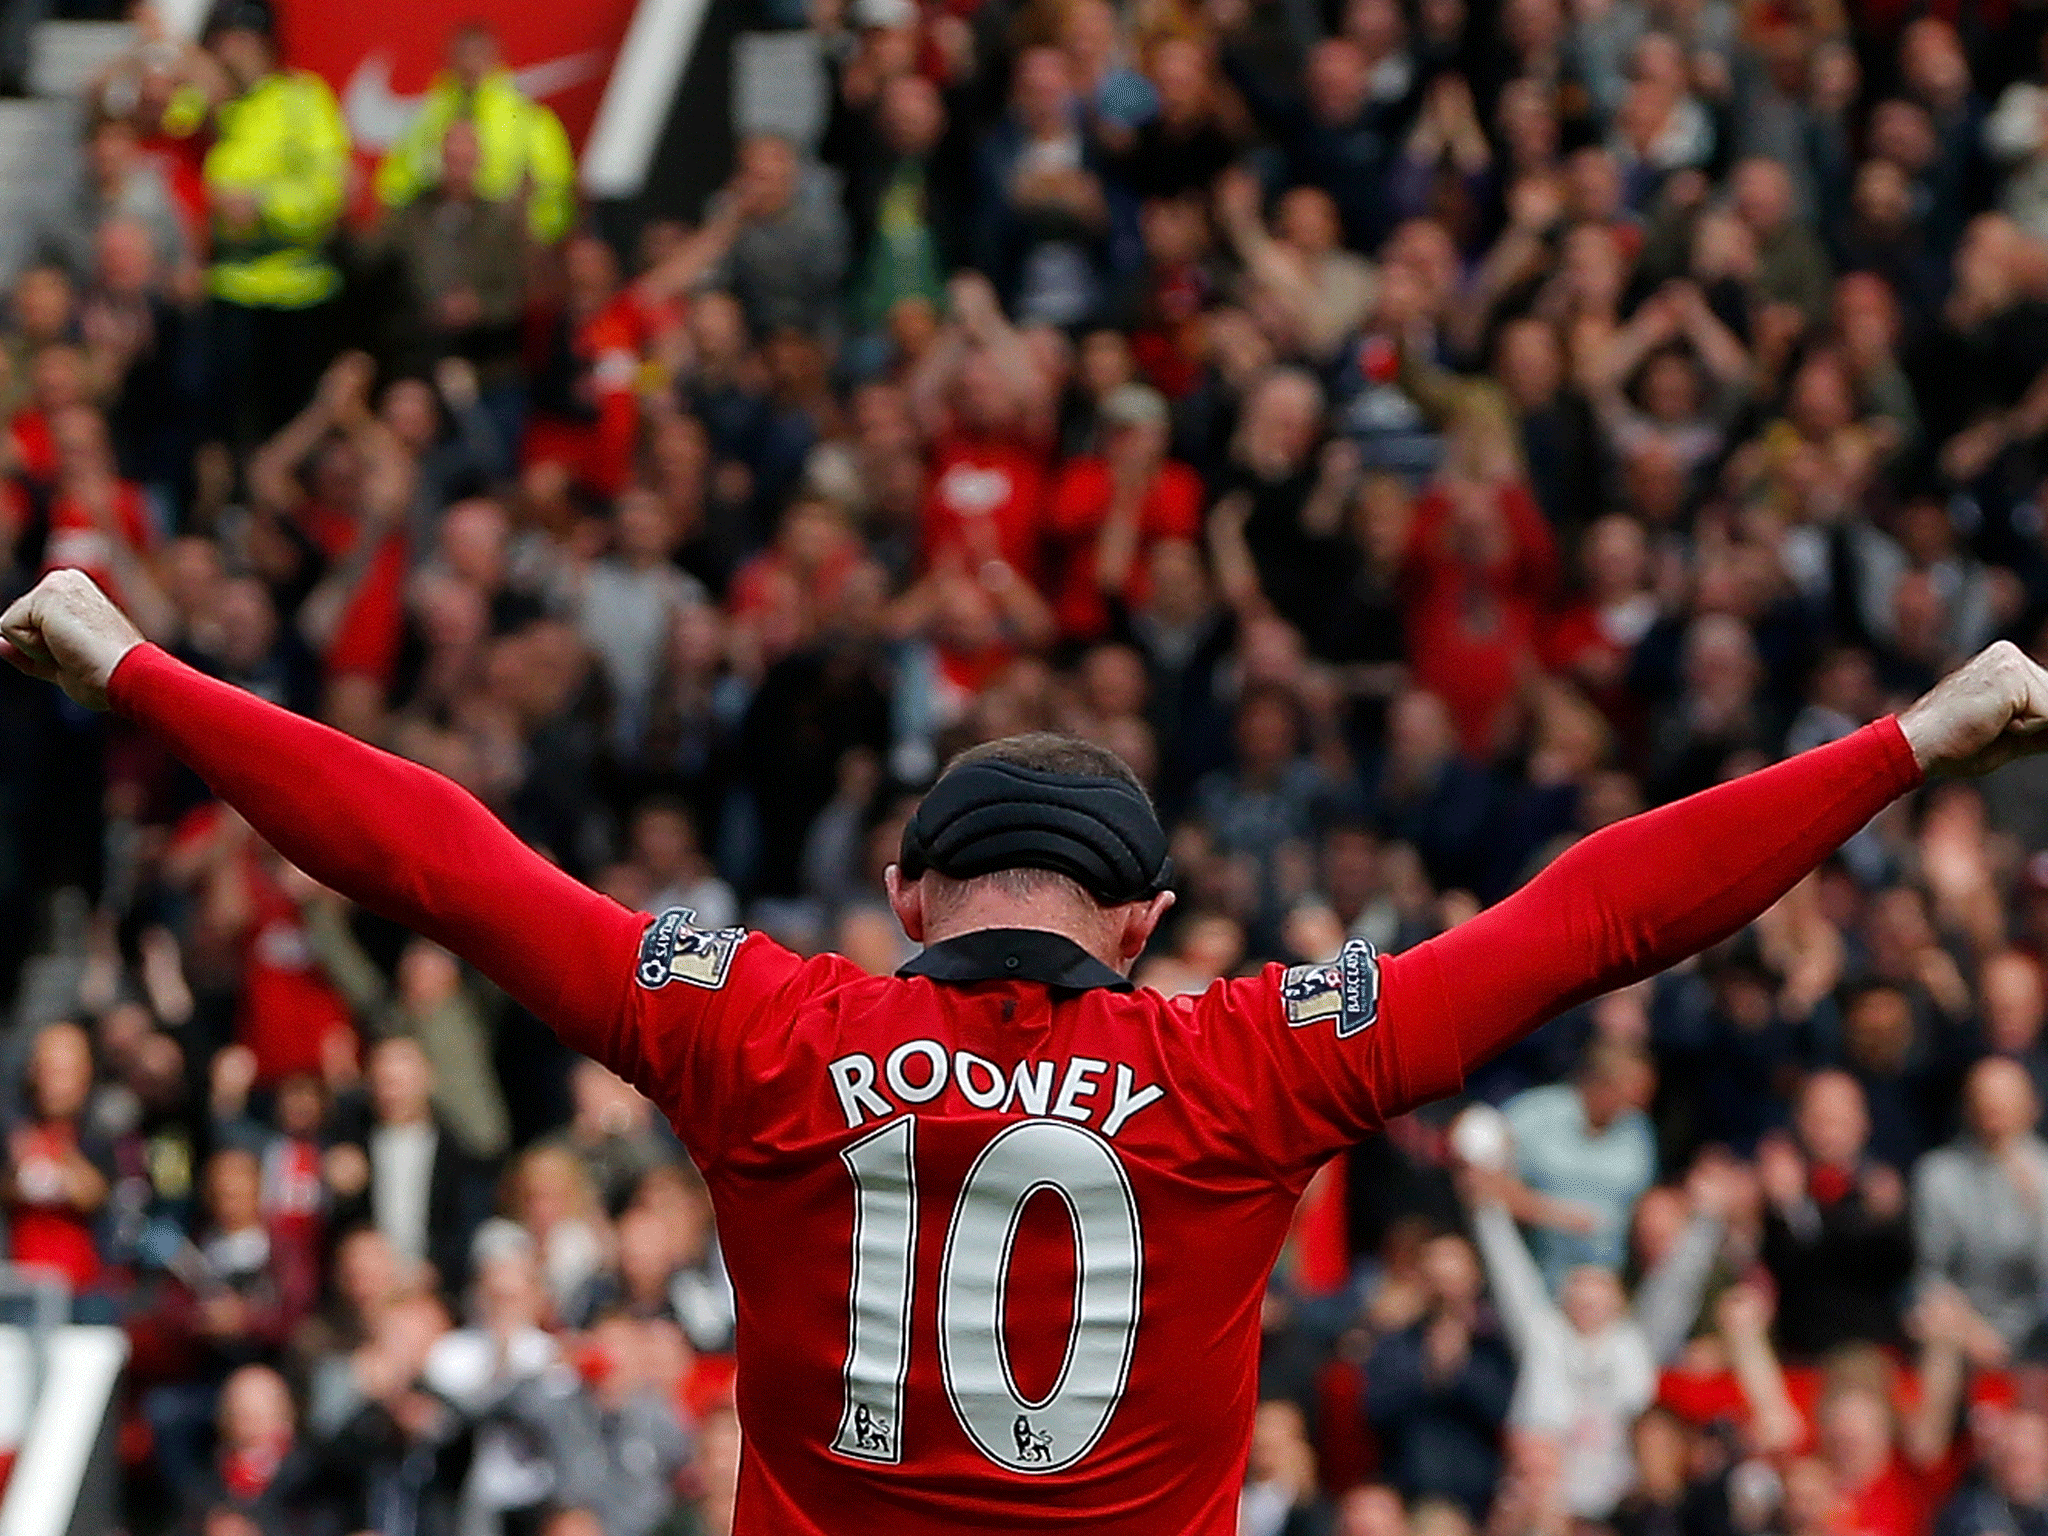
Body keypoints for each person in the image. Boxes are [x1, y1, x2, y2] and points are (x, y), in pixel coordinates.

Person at [7, 566, 2048, 1535]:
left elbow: (442, 860)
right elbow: (1597, 915)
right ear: (1144, 925)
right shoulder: (1255, 1061)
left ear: (904, 893)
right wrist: (1907, 743)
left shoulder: (766, 1027)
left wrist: (134, 667)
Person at [373, 20, 577, 245]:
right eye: (462, 55)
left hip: (503, 243)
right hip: (439, 242)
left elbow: (555, 192)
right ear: (448, 61)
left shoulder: (529, 119)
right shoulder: (427, 119)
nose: (469, 64)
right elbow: (394, 185)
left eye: (478, 54)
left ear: (496, 59)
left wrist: (530, 238)